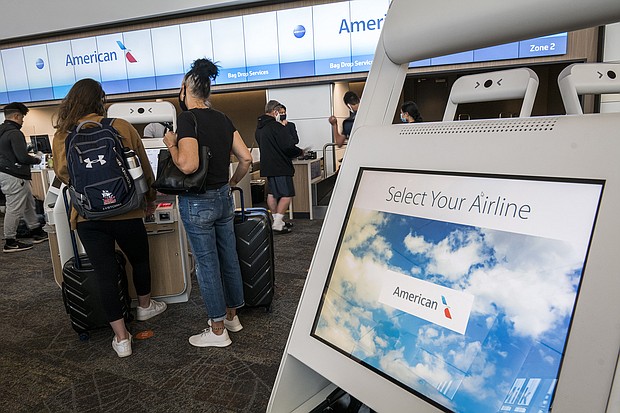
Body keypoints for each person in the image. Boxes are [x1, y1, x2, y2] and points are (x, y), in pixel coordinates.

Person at [52, 79, 167, 358]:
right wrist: (149, 200)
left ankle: (122, 338)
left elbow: (63, 175)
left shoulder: (63, 135)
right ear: (100, 100)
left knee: (104, 273)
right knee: (139, 259)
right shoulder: (121, 126)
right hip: (127, 210)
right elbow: (142, 168)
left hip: (87, 215)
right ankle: (144, 307)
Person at [163, 58, 252, 348]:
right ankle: (232, 317)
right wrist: (231, 183)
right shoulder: (223, 119)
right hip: (223, 198)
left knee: (207, 264)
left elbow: (188, 165)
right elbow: (246, 158)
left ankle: (216, 331)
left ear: (185, 90)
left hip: (198, 202)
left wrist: (171, 144)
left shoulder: (188, 118)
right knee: (228, 257)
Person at [0, 102, 49, 253]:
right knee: (14, 208)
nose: (22, 121)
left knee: (28, 203)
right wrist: (37, 158)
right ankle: (10, 241)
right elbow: (22, 158)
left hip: (7, 172)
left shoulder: (2, 131)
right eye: (22, 117)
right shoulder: (15, 133)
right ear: (16, 116)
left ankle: (36, 231)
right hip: (15, 175)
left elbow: (9, 152)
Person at [256, 100, 304, 234]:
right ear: (275, 112)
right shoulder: (277, 127)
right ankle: (277, 223)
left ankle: (276, 220)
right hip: (281, 166)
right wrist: (299, 152)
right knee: (286, 194)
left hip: (268, 166)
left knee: (272, 194)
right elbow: (288, 146)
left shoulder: (259, 129)